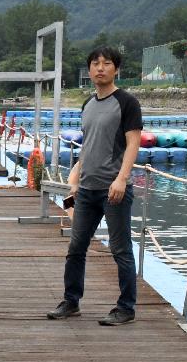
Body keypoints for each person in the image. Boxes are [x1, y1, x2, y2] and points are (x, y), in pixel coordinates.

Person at [47, 46, 142, 326]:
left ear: (116, 69)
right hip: (86, 190)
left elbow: (133, 143)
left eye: (107, 63)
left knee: (120, 249)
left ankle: (126, 308)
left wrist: (122, 179)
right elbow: (87, 147)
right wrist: (73, 183)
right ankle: (71, 301)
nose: (100, 68)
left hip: (113, 189)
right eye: (95, 64)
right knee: (76, 246)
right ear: (89, 70)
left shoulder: (127, 102)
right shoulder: (88, 104)